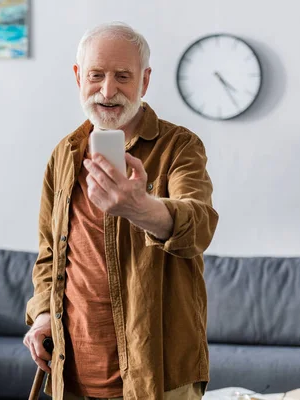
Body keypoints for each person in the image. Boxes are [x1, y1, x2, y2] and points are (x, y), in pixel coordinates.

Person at [23, 21, 219, 400]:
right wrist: (44, 314)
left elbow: (199, 226)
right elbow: (49, 253)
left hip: (158, 374)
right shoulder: (64, 154)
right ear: (79, 76)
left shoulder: (180, 147)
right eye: (96, 75)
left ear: (144, 82)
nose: (108, 91)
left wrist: (141, 209)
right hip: (73, 372)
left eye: (123, 76)